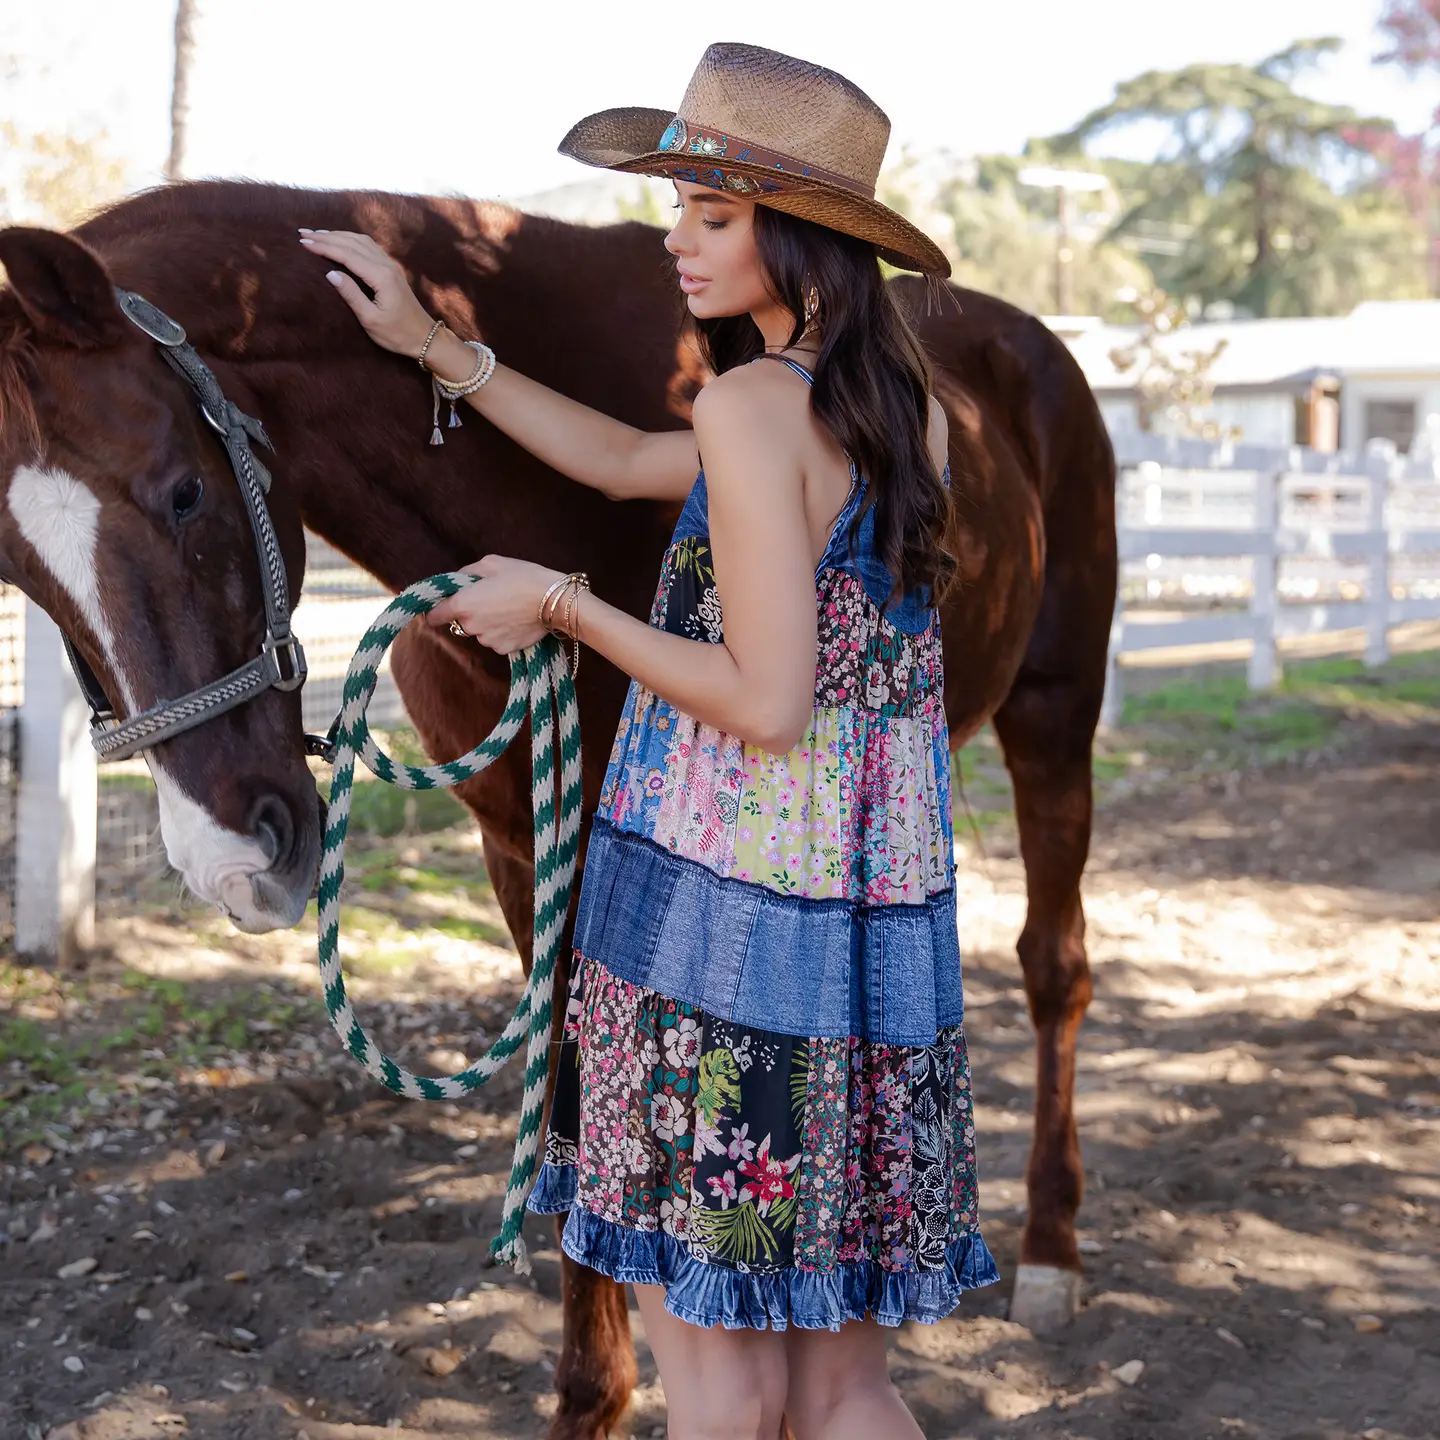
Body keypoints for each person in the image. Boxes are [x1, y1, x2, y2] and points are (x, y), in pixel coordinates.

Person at [300, 40, 996, 1440]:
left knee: (722, 1380)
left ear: (798, 236)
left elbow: (764, 700)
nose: (675, 240)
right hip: (861, 947)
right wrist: (432, 347)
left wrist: (559, 605)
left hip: (719, 933)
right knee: (844, 1381)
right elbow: (625, 461)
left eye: (713, 215)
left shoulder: (753, 409)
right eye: (678, 208)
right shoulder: (883, 407)